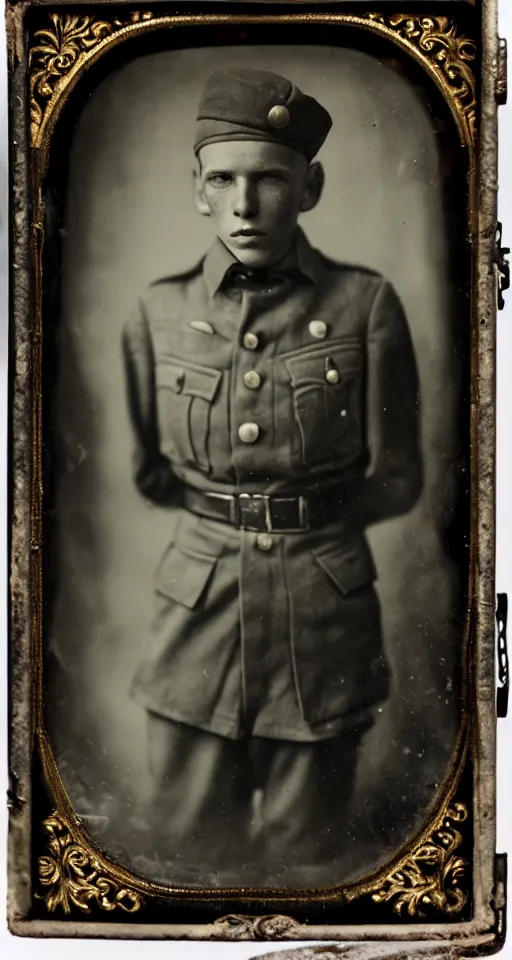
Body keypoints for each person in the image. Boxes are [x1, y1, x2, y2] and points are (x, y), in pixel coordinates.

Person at [122, 67, 423, 885]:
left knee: (309, 865)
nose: (245, 206)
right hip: (197, 623)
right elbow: (151, 472)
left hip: (323, 629)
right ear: (198, 191)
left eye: (270, 181)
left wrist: (304, 521)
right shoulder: (155, 314)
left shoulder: (365, 306)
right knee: (184, 853)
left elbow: (398, 479)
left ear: (311, 186)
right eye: (223, 180)